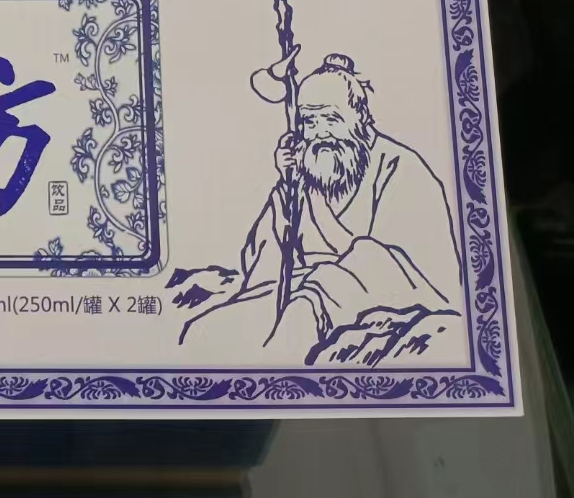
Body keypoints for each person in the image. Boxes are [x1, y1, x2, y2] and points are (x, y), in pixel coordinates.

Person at [179, 54, 463, 365]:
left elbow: (379, 263)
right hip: (310, 285)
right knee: (210, 328)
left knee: (306, 308)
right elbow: (261, 257)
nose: (320, 132)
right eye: (309, 122)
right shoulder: (309, 171)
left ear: (360, 116)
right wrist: (288, 184)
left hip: (379, 289)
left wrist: (312, 198)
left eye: (331, 119)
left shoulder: (399, 167)